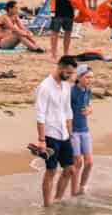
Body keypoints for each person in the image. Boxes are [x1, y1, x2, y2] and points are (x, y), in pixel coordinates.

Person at [34, 56, 77, 207]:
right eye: (68, 73)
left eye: (72, 74)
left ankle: (57, 200)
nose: (70, 76)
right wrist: (41, 140)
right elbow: (40, 114)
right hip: (50, 134)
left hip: (64, 133)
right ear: (60, 67)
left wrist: (70, 132)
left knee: (70, 169)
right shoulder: (45, 87)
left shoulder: (66, 86)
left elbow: (67, 110)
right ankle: (47, 205)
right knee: (51, 171)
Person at [69, 65, 94, 197]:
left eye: (92, 77)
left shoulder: (88, 91)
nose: (90, 80)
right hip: (73, 132)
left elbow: (88, 104)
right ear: (78, 77)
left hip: (85, 130)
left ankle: (82, 188)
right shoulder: (71, 92)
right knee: (77, 162)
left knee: (89, 163)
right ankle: (73, 191)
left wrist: (90, 109)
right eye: (87, 77)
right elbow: (64, 110)